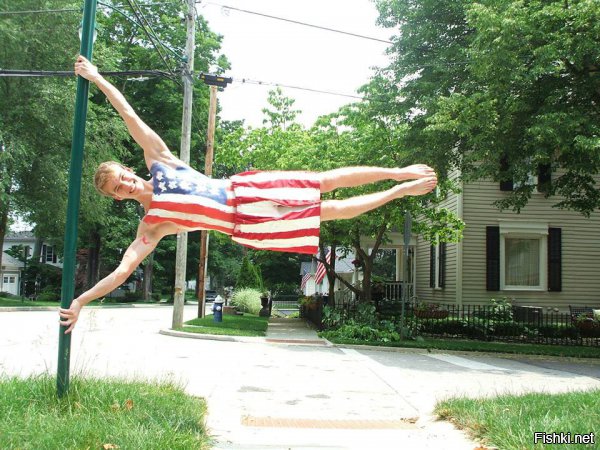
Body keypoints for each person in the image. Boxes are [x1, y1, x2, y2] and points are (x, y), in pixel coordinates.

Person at [59, 55, 437, 334]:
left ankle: (398, 172)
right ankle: (400, 192)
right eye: (117, 190)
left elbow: (128, 113)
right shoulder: (153, 225)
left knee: (323, 182)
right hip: (247, 226)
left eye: (122, 177)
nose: (124, 185)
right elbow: (123, 270)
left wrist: (97, 77)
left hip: (245, 189)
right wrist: (80, 301)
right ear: (118, 198)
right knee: (332, 212)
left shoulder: (161, 161)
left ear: (128, 171)